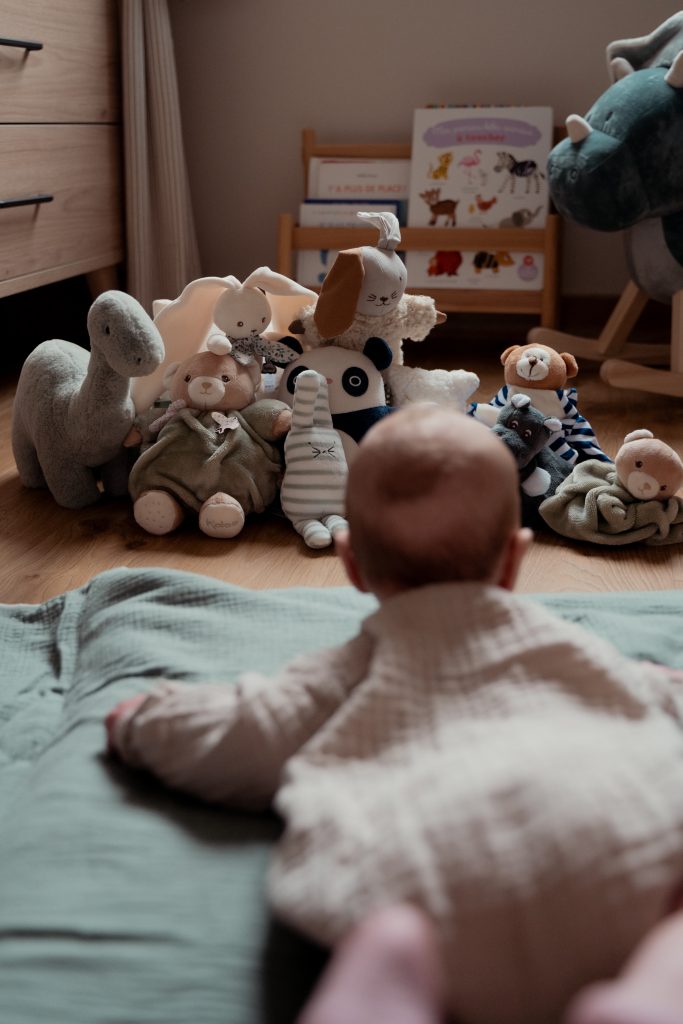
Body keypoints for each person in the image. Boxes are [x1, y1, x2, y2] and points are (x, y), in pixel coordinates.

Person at [106, 405, 683, 1024]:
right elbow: (655, 690)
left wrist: (144, 719)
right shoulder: (578, 650)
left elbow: (240, 736)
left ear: (352, 564)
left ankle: (392, 977)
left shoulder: (347, 675)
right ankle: (646, 999)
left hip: (436, 904)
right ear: (515, 561)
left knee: (384, 936)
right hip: (636, 867)